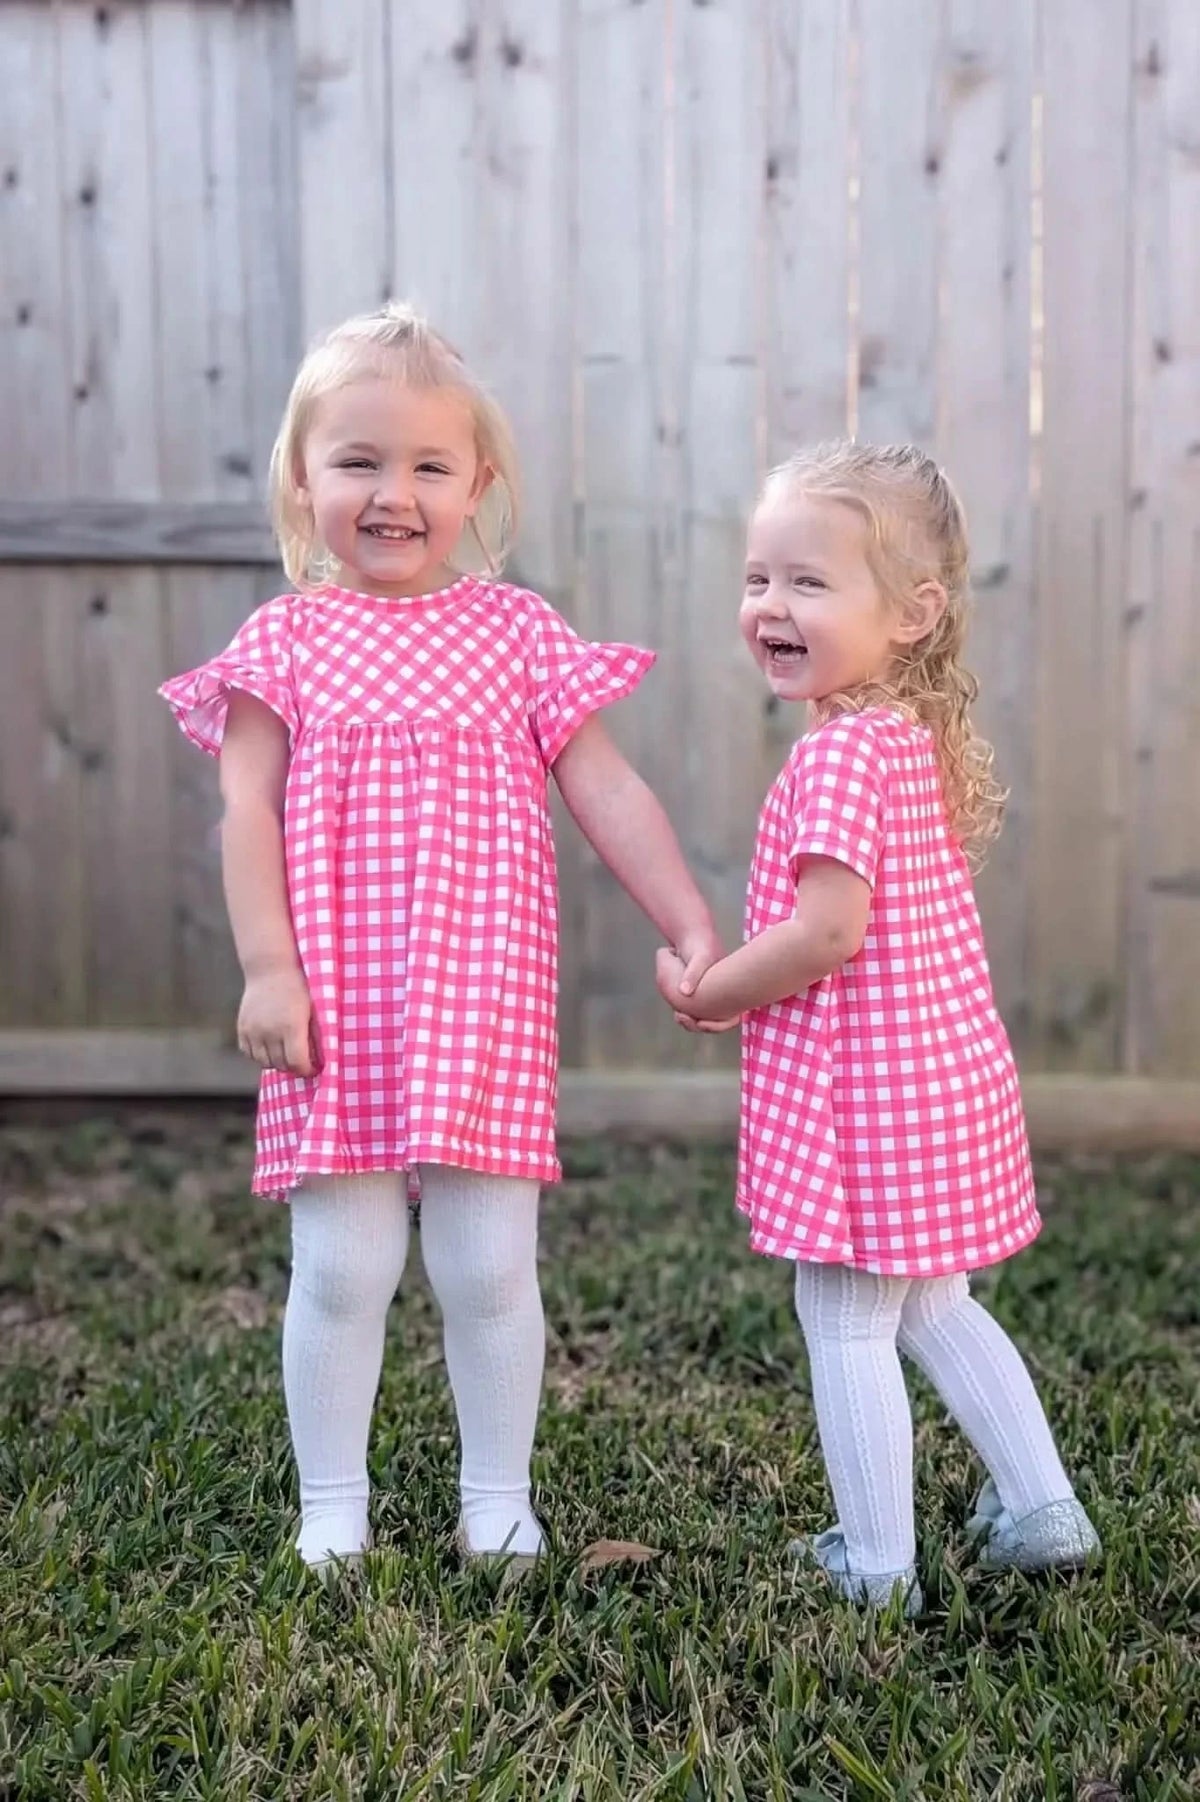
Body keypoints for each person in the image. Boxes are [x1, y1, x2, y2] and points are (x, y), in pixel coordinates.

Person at [160, 302, 721, 1572]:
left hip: (484, 1004)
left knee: (486, 1267)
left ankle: (496, 1493)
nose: (393, 492)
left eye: (428, 464)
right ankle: (331, 1505)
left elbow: (609, 791)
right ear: (304, 482)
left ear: (480, 483)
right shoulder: (288, 641)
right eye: (357, 461)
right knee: (345, 1267)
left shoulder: (515, 633)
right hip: (335, 1005)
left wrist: (689, 921)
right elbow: (243, 805)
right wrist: (267, 966)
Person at [656, 441, 1100, 1613]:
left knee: (843, 1313)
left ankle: (876, 1561)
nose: (771, 606)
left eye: (809, 582)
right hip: (941, 1081)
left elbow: (828, 932)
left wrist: (717, 989)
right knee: (938, 1302)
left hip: (871, 1103)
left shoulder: (844, 753)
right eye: (759, 578)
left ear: (914, 613)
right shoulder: (904, 741)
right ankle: (1043, 1506)